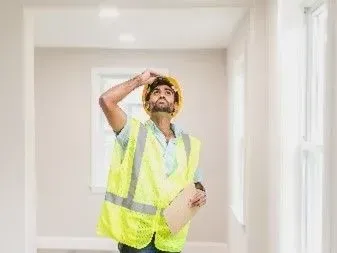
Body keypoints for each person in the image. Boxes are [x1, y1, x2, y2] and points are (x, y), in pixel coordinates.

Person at [96, 70, 207, 253]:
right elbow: (107, 100)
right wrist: (140, 80)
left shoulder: (190, 144)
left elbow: (196, 184)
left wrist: (200, 194)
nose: (162, 94)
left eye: (168, 92)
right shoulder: (132, 133)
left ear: (175, 105)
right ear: (148, 103)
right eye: (156, 92)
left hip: (171, 236)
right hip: (137, 236)